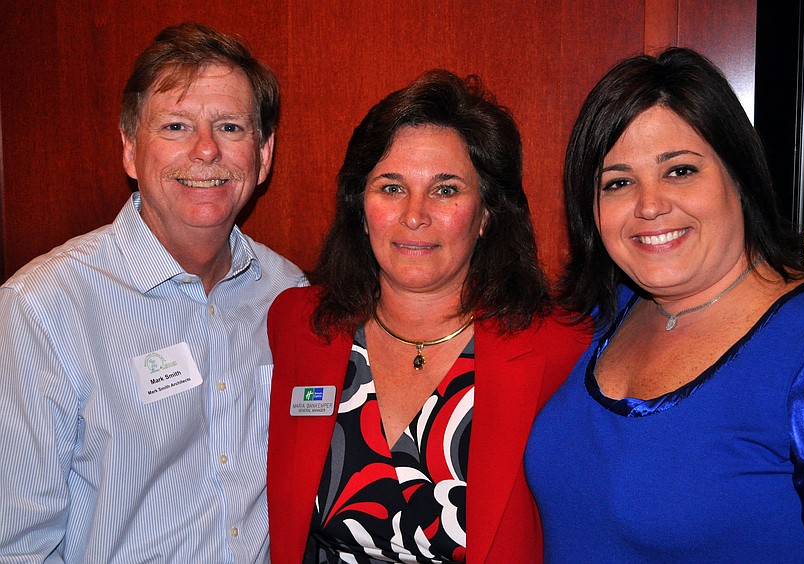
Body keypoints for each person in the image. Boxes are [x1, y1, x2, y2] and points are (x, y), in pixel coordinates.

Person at [525, 47, 804, 561]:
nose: (649, 205)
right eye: (618, 182)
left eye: (679, 171)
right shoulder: (603, 316)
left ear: (738, 176)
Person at [0, 23, 304, 561]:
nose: (206, 150)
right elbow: (18, 545)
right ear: (129, 150)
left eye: (230, 127)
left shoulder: (290, 296)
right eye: (176, 126)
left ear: (262, 156)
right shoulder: (41, 308)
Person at [266, 69, 589, 563]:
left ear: (486, 214)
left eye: (445, 190)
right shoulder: (300, 326)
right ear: (360, 207)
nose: (414, 215)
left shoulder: (559, 349)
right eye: (391, 188)